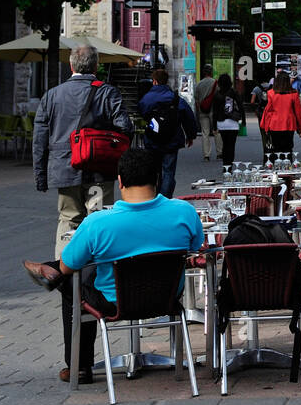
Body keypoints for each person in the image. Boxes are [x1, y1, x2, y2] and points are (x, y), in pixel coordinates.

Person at [21, 147, 204, 384]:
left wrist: (61, 268)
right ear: (157, 178)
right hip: (167, 297)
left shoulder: (98, 223)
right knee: (83, 271)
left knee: (69, 281)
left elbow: (68, 265)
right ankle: (51, 270)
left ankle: (80, 366)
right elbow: (196, 245)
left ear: (120, 181)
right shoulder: (184, 213)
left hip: (114, 302)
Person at [33, 42, 133, 257]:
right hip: (99, 167)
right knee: (99, 219)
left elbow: (39, 139)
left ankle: (65, 271)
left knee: (68, 219)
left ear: (71, 67)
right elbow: (125, 128)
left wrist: (41, 176)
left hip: (64, 168)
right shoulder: (108, 93)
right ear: (96, 66)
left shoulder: (51, 95)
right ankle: (95, 272)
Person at [138, 68, 198, 198]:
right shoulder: (175, 98)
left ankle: (152, 196)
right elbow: (188, 116)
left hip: (152, 139)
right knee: (168, 171)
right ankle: (165, 198)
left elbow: (142, 112)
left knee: (153, 170)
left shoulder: (147, 98)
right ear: (166, 81)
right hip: (172, 139)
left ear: (154, 81)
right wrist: (191, 135)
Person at [260, 70, 301, 160]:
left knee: (276, 148)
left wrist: (266, 127)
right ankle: (288, 169)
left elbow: (268, 111)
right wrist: (300, 128)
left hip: (274, 124)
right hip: (289, 124)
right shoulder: (294, 93)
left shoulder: (271, 93)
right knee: (288, 148)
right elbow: (298, 112)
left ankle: (277, 169)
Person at [210, 72, 246, 169]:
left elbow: (215, 112)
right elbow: (241, 106)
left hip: (221, 123)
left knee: (225, 145)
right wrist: (243, 121)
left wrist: (214, 126)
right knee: (231, 146)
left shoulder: (217, 95)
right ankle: (229, 165)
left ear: (219, 83)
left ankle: (225, 165)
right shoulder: (233, 92)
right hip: (233, 122)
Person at [193, 64, 217, 162]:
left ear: (203, 72)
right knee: (216, 131)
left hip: (202, 111)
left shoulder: (198, 84)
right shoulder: (215, 83)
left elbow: (196, 100)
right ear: (211, 72)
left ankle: (206, 154)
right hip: (213, 110)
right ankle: (220, 152)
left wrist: (199, 110)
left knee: (205, 133)